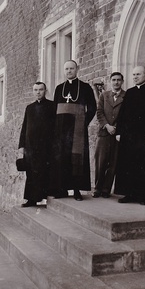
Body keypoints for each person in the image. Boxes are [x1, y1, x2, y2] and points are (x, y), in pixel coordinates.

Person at [115, 65, 145, 205]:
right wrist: (119, 132)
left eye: (138, 74)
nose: (135, 77)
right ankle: (130, 194)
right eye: (134, 75)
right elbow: (122, 114)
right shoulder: (129, 93)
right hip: (129, 137)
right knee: (129, 165)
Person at [49, 60, 96, 201]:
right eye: (67, 69)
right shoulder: (59, 88)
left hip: (77, 129)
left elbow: (92, 107)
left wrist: (84, 122)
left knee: (77, 159)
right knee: (61, 158)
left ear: (77, 69)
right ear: (64, 71)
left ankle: (76, 190)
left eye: (71, 68)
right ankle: (61, 189)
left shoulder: (85, 87)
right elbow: (54, 109)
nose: (69, 71)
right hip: (61, 130)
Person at [18, 82, 56, 207]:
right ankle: (31, 199)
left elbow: (55, 127)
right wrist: (22, 146)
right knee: (31, 173)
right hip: (31, 147)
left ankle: (48, 198)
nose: (38, 92)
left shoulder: (52, 106)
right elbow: (24, 127)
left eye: (40, 89)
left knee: (47, 171)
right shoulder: (29, 108)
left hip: (46, 146)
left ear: (45, 91)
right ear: (33, 91)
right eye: (35, 90)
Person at [93, 72, 125, 198]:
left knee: (113, 162)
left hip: (117, 134)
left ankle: (106, 189)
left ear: (122, 81)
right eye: (113, 80)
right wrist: (107, 126)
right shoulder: (104, 95)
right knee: (100, 161)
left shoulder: (126, 96)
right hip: (104, 133)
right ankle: (97, 188)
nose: (116, 82)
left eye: (118, 80)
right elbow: (99, 112)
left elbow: (125, 115)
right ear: (110, 81)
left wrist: (117, 128)